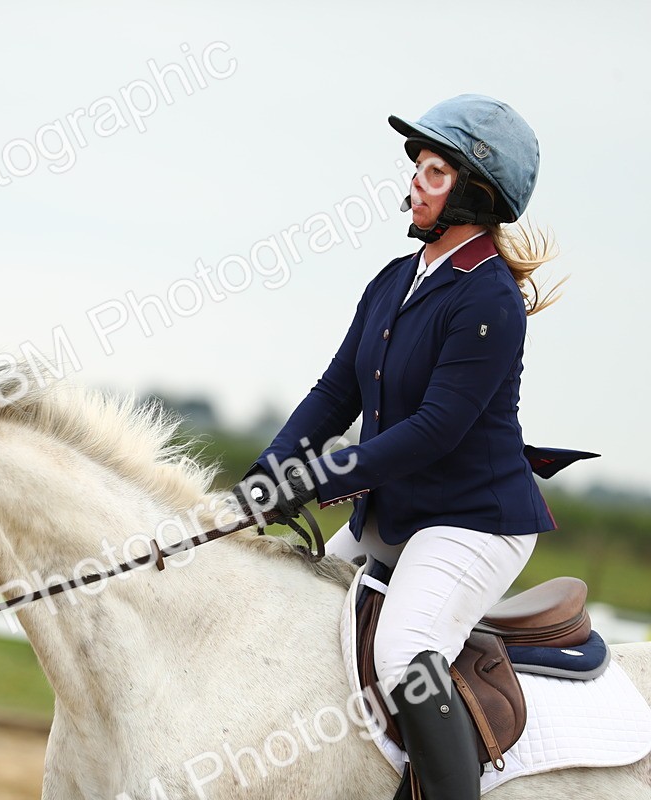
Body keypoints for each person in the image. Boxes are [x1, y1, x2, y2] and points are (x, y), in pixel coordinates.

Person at [236, 94, 564, 800]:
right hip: (394, 518)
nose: (415, 179)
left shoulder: (489, 301)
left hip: (473, 522)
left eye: (435, 169)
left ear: (475, 194)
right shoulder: (393, 281)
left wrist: (315, 480)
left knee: (403, 652)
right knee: (298, 626)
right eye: (418, 165)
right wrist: (269, 470)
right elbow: (333, 394)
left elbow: (434, 432)